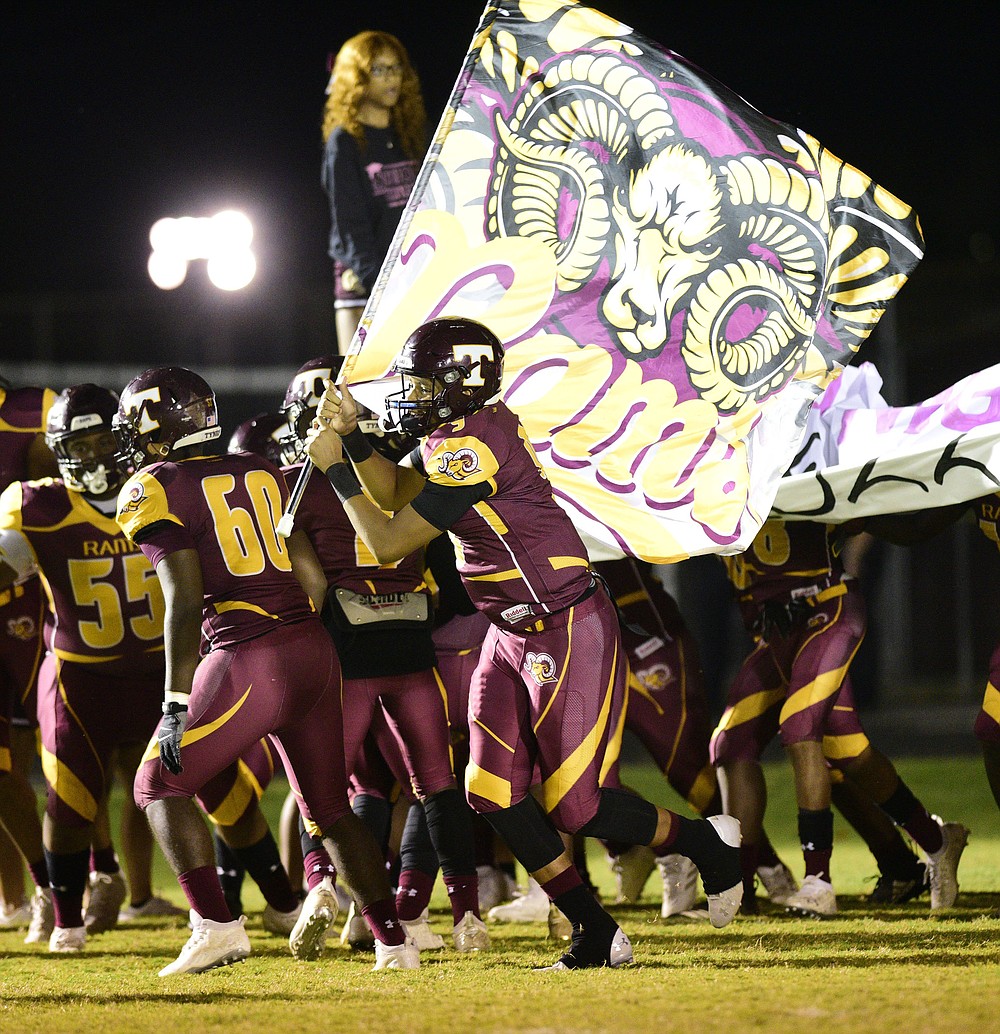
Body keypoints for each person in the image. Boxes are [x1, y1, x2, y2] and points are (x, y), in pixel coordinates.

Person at [304, 316, 743, 970]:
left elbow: (391, 536)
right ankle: (595, 931)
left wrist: (337, 470)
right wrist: (353, 441)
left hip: (564, 625)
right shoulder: (464, 431)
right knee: (489, 792)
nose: (412, 396)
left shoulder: (467, 445)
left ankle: (706, 846)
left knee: (577, 804)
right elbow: (397, 489)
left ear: (457, 385)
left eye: (424, 384)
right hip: (508, 632)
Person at [113, 366, 417, 976]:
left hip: (248, 654)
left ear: (154, 424)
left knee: (157, 784)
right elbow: (310, 578)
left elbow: (183, 593)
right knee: (329, 809)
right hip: (312, 649)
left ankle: (216, 926)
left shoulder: (156, 485)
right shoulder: (257, 469)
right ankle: (394, 941)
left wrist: (176, 700)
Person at [279, 354, 487, 953]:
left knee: (327, 788)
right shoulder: (410, 476)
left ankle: (320, 886)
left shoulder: (305, 487)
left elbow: (314, 586)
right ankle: (466, 914)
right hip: (413, 648)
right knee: (437, 783)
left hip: (347, 656)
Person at [711, 516, 968, 916]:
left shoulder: (792, 457)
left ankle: (819, 881)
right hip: (776, 630)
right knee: (739, 743)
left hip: (824, 609)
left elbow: (859, 502)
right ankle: (935, 840)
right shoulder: (711, 473)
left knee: (800, 727)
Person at [321, 30, 427, 353]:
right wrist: (383, 288)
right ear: (357, 78)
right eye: (378, 70)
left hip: (411, 282)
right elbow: (351, 229)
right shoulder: (345, 142)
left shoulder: (410, 135)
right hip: (365, 287)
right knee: (360, 393)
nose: (390, 78)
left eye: (395, 68)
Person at [0, 375, 57, 942]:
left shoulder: (30, 411)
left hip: (19, 605)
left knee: (40, 754)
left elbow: (58, 501)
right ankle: (19, 897)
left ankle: (61, 884)